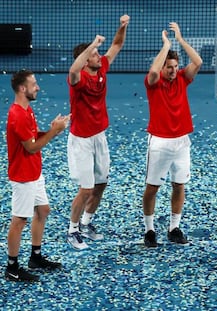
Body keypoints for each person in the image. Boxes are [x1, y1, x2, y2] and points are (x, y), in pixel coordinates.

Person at [66, 15, 129, 250]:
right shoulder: (77, 78)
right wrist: (92, 44)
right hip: (81, 140)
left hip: (99, 136)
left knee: (101, 184)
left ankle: (86, 222)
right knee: (86, 189)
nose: (97, 56)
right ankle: (72, 230)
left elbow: (116, 45)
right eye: (93, 54)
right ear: (85, 60)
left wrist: (122, 27)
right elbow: (73, 69)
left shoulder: (101, 66)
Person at [5, 69, 70, 281]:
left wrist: (52, 129)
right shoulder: (17, 115)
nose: (38, 87)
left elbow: (32, 138)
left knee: (43, 210)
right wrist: (55, 131)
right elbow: (31, 148)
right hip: (23, 176)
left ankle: (35, 257)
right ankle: (12, 267)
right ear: (23, 89)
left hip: (34, 172)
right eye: (34, 84)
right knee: (19, 221)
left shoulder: (27, 110)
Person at [142, 22, 203, 247]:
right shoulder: (153, 84)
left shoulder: (182, 79)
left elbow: (198, 62)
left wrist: (181, 39)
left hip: (181, 142)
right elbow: (153, 73)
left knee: (179, 185)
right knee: (152, 188)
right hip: (159, 142)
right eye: (169, 66)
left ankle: (174, 227)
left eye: (175, 66)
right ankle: (149, 230)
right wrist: (166, 45)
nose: (173, 70)